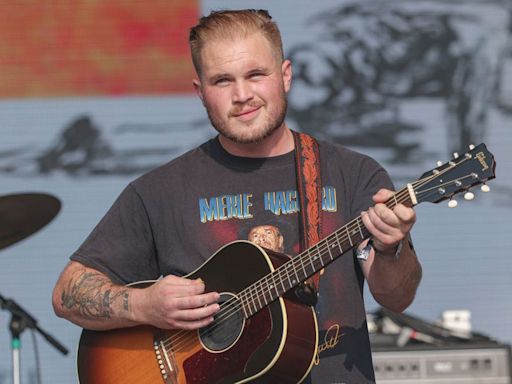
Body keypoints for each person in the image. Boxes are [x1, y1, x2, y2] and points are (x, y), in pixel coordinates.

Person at [52, 9, 422, 383]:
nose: (242, 95)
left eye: (256, 75)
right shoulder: (160, 190)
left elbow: (397, 297)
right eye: (222, 81)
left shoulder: (353, 174)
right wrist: (145, 305)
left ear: (286, 75)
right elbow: (67, 292)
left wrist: (394, 247)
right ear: (200, 92)